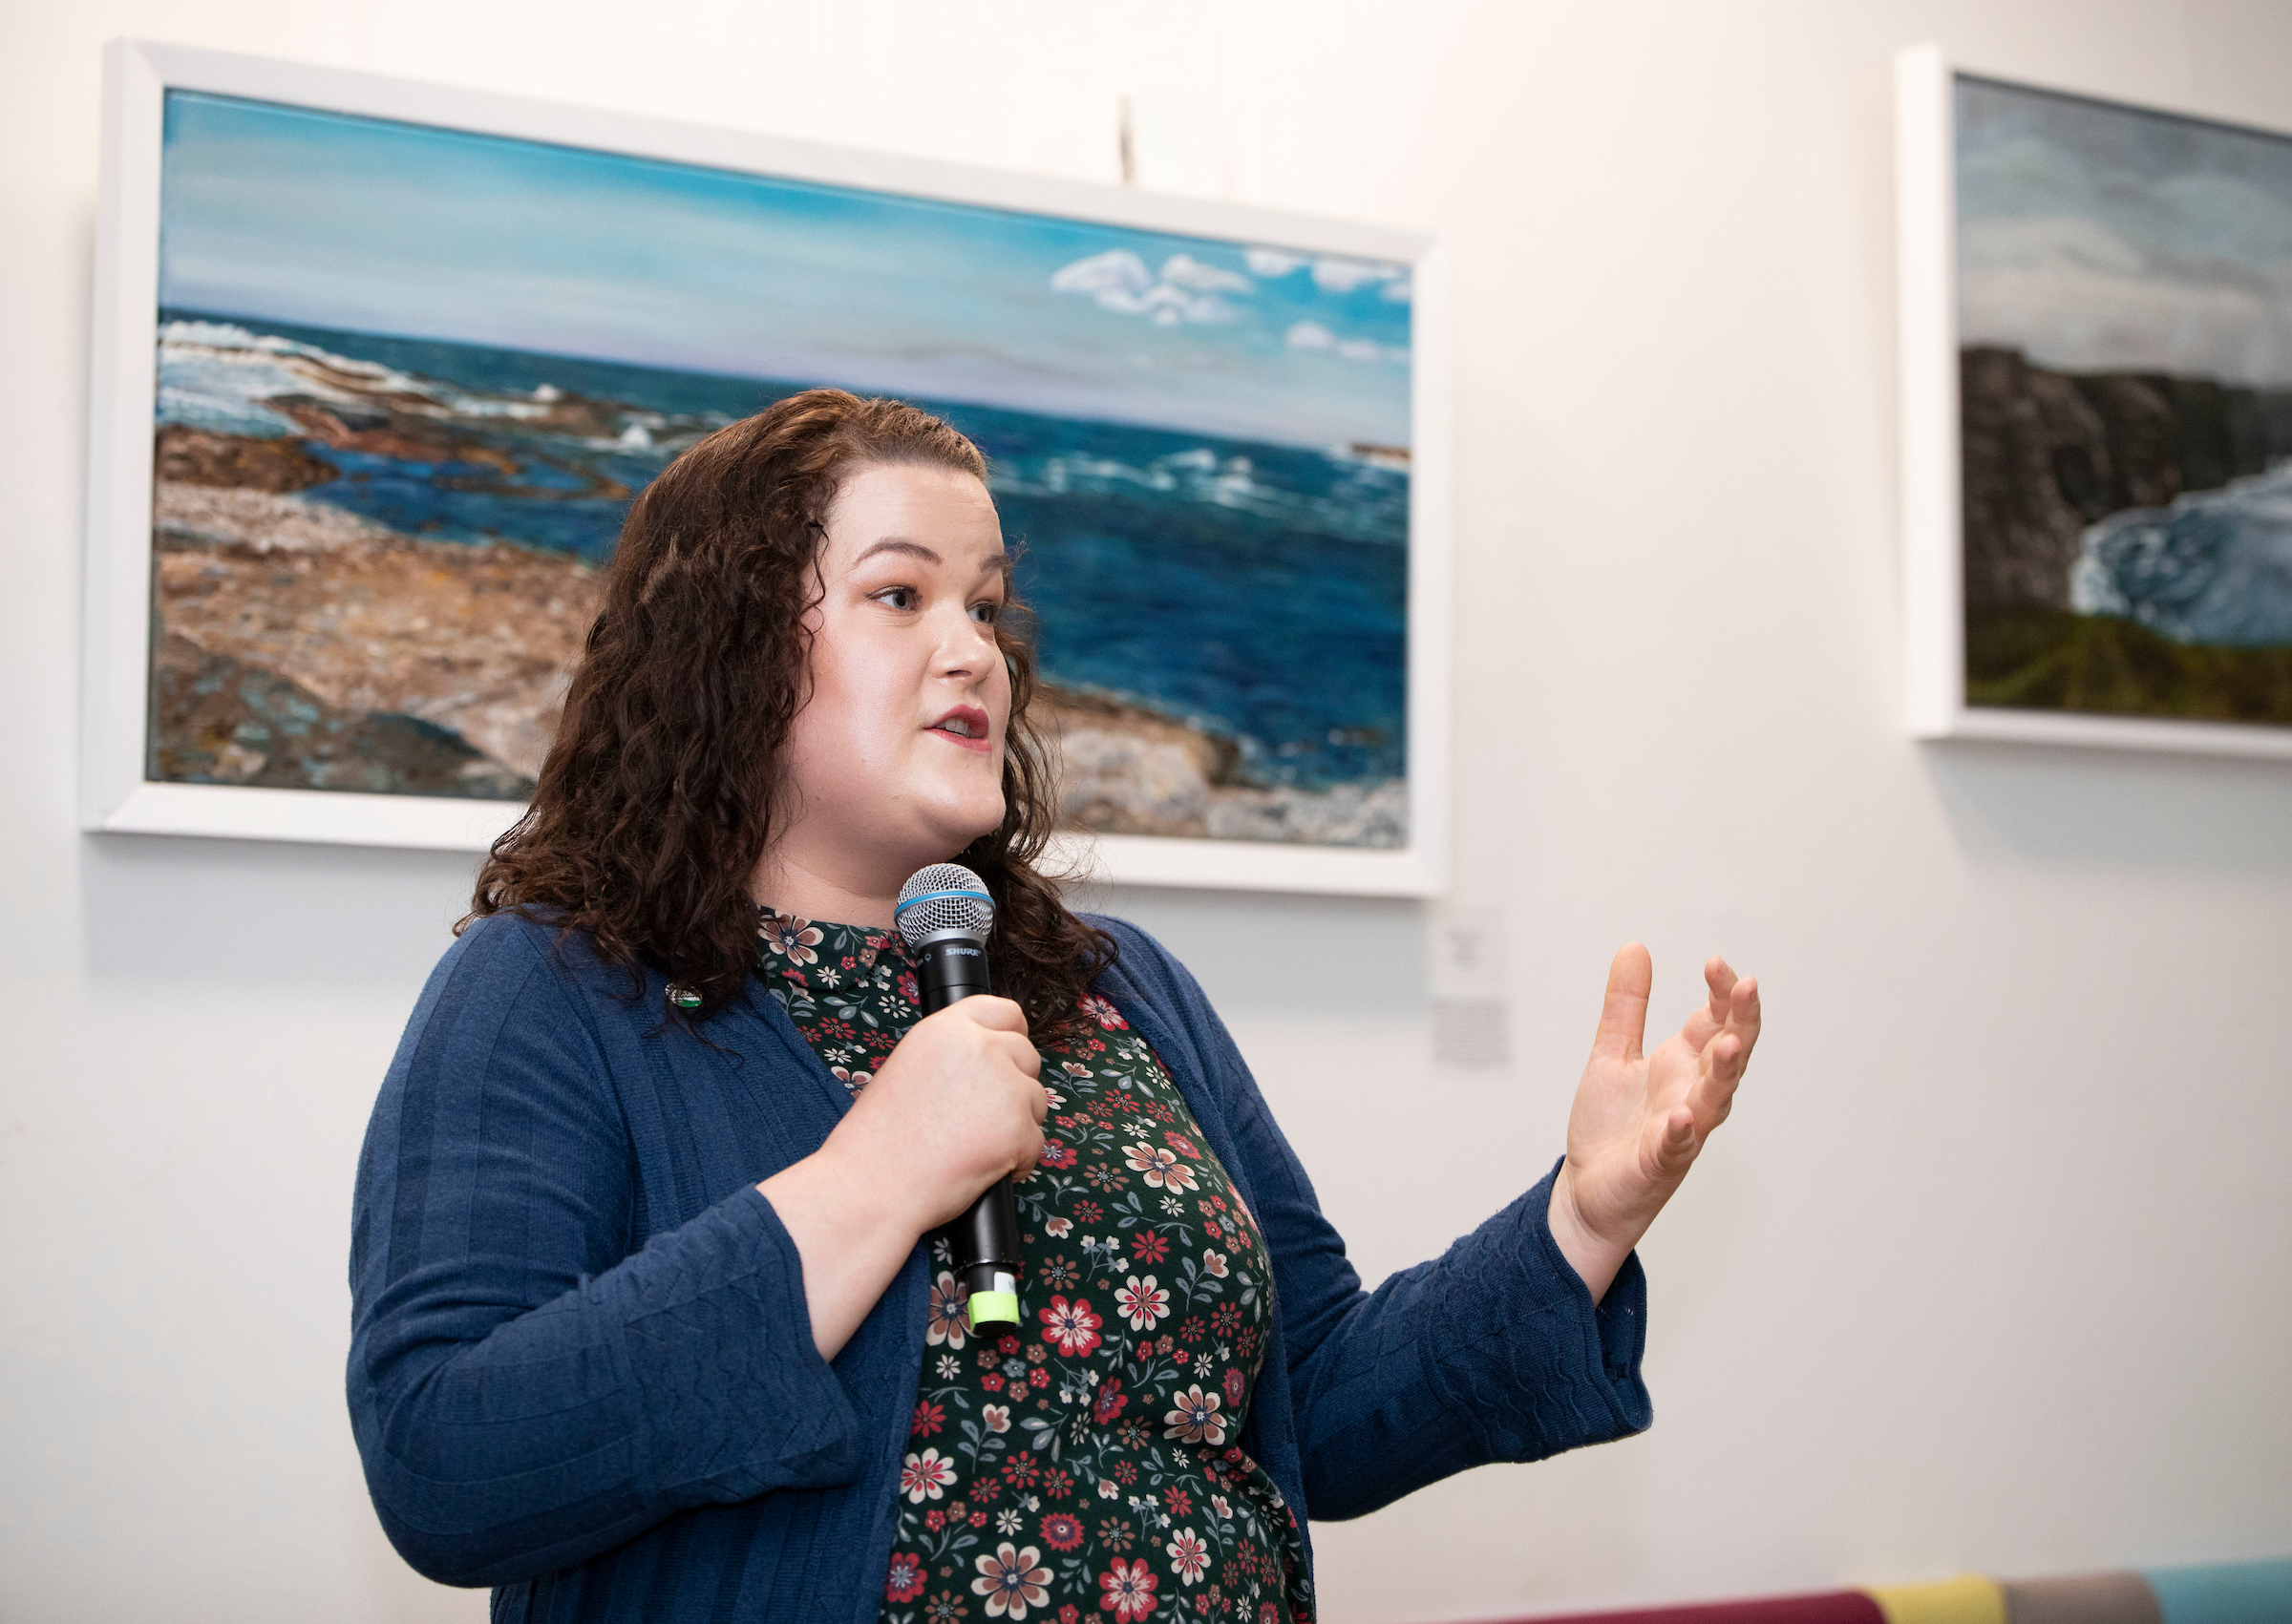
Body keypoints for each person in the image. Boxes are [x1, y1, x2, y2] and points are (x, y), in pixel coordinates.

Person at [348, 390, 1760, 1624]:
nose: (975, 651)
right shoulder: (552, 986)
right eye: (902, 597)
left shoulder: (1119, 986)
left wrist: (1582, 1216)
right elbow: (448, 1461)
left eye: (987, 604)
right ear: (728, 650)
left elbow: (1318, 1403)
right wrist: (869, 1181)